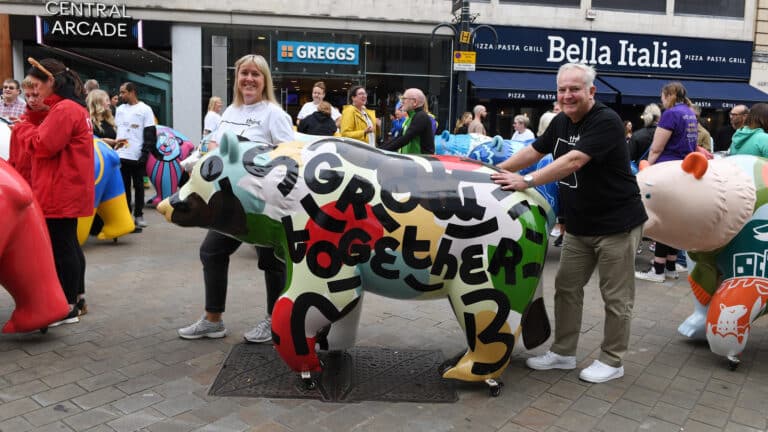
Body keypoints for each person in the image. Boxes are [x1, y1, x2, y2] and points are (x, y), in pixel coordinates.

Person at [491, 63, 646, 384]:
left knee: (616, 297)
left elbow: (573, 160)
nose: (567, 95)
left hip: (617, 224)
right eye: (562, 89)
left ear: (591, 91)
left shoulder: (606, 121)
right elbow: (534, 150)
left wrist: (525, 181)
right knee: (566, 288)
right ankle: (563, 352)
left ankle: (612, 359)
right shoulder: (561, 121)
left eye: (574, 89)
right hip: (579, 224)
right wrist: (490, 171)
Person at [177, 54, 294, 344]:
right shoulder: (230, 111)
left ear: (265, 80)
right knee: (212, 252)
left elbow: (290, 157)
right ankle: (213, 320)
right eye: (244, 73)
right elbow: (215, 148)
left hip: (265, 204)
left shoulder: (274, 114)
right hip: (229, 204)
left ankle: (274, 321)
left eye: (256, 74)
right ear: (236, 78)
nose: (249, 79)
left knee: (273, 262)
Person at [10, 58, 94, 326]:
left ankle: (67, 304)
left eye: (37, 87)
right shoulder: (68, 107)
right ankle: (76, 300)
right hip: (65, 186)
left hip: (60, 187)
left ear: (52, 83)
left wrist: (21, 127)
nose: (33, 93)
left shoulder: (64, 109)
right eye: (29, 89)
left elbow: (43, 145)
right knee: (68, 244)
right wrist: (32, 115)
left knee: (62, 247)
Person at [635, 82, 697, 284]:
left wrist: (647, 167)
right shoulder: (689, 112)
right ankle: (670, 266)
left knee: (662, 219)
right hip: (683, 170)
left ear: (668, 95)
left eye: (662, 96)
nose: (661, 100)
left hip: (665, 169)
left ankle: (658, 269)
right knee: (674, 220)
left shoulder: (670, 114)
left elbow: (656, 147)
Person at [114, 82, 156, 230]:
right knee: (123, 188)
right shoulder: (119, 110)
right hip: (121, 155)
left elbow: (150, 134)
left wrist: (145, 153)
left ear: (132, 92)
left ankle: (139, 215)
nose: (120, 95)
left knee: (139, 187)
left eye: (123, 92)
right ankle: (126, 217)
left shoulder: (145, 109)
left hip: (137, 155)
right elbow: (116, 131)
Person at [9, 77, 48, 183]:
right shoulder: (21, 120)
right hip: (21, 186)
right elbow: (13, 158)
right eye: (27, 95)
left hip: (42, 189)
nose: (31, 100)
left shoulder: (55, 120)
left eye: (35, 95)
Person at [380, 88, 435, 154]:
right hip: (411, 161)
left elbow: (405, 139)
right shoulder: (410, 118)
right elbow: (398, 138)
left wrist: (381, 152)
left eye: (404, 99)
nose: (402, 102)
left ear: (415, 102)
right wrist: (379, 149)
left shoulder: (421, 116)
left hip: (420, 162)